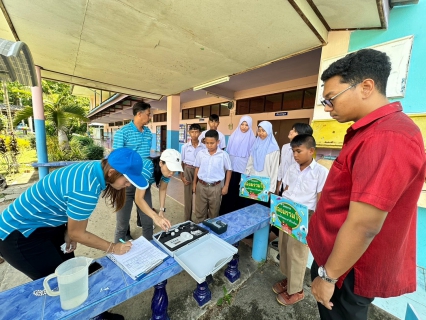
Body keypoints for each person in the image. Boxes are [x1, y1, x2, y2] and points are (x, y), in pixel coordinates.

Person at [307, 49, 426, 320]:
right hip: (340, 260)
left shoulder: (387, 136)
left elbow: (364, 225)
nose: (328, 108)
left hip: (347, 270)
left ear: (366, 87)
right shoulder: (372, 132)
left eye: (331, 99)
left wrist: (328, 277)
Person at [0, 148, 165, 320]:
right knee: (59, 286)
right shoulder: (86, 189)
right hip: (19, 235)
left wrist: (67, 231)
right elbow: (78, 233)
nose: (129, 185)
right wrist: (113, 247)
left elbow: (69, 218)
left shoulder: (96, 168)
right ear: (112, 172)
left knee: (74, 275)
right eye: (127, 180)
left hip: (47, 224)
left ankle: (94, 313)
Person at [272, 134, 328, 306]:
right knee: (285, 248)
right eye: (293, 151)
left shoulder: (320, 172)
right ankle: (289, 280)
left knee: (297, 253)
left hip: (304, 217)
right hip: (287, 212)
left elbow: (320, 198)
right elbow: (287, 188)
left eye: (299, 151)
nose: (295, 155)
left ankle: (297, 290)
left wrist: (317, 223)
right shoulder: (292, 168)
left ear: (311, 151)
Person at [112, 102, 176, 242]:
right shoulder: (122, 132)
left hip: (144, 180)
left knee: (148, 222)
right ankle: (118, 249)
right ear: (139, 114)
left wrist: (161, 211)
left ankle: (150, 249)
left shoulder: (148, 133)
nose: (150, 116)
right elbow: (116, 159)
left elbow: (147, 157)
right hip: (126, 183)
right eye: (148, 114)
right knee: (122, 224)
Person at [193, 130, 232, 222]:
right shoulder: (201, 153)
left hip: (216, 187)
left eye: (212, 143)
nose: (209, 145)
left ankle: (211, 234)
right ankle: (200, 232)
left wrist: (226, 186)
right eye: (207, 143)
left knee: (214, 213)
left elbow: (229, 170)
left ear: (218, 142)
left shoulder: (223, 155)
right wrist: (194, 183)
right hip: (201, 186)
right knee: (200, 212)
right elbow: (197, 169)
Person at [219, 115, 255, 215]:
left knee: (240, 195)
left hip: (243, 172)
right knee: (229, 192)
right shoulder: (233, 136)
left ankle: (237, 215)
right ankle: (226, 213)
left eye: (246, 125)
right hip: (231, 170)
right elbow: (228, 152)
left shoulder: (252, 139)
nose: (244, 127)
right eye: (242, 124)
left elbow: (252, 157)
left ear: (250, 126)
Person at [245, 121, 280, 204]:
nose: (261, 133)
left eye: (263, 131)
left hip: (265, 184)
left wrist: (271, 189)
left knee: (261, 209)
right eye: (259, 130)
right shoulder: (255, 145)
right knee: (250, 207)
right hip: (253, 183)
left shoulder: (274, 149)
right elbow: (249, 164)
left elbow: (274, 170)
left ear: (269, 131)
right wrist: (245, 180)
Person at [275, 123, 313, 195]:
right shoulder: (285, 147)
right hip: (283, 184)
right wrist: (279, 184)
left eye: (294, 131)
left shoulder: (305, 153)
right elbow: (282, 165)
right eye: (292, 129)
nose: (290, 131)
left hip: (294, 188)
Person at [180, 123, 205, 221]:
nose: (194, 134)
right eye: (192, 132)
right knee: (188, 197)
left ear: (200, 133)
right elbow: (181, 162)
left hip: (200, 171)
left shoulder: (203, 147)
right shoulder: (185, 147)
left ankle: (200, 218)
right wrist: (182, 176)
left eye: (196, 132)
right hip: (188, 170)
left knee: (200, 197)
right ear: (189, 133)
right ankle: (187, 220)